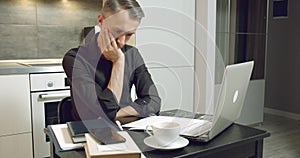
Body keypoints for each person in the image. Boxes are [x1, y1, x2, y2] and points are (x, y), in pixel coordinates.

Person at [62, 0, 161, 122]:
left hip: (125, 127)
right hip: (87, 131)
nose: (122, 42)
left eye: (129, 34)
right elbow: (104, 111)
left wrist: (117, 113)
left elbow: (154, 100)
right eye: (117, 31)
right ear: (101, 21)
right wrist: (118, 63)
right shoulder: (75, 58)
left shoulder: (132, 54)